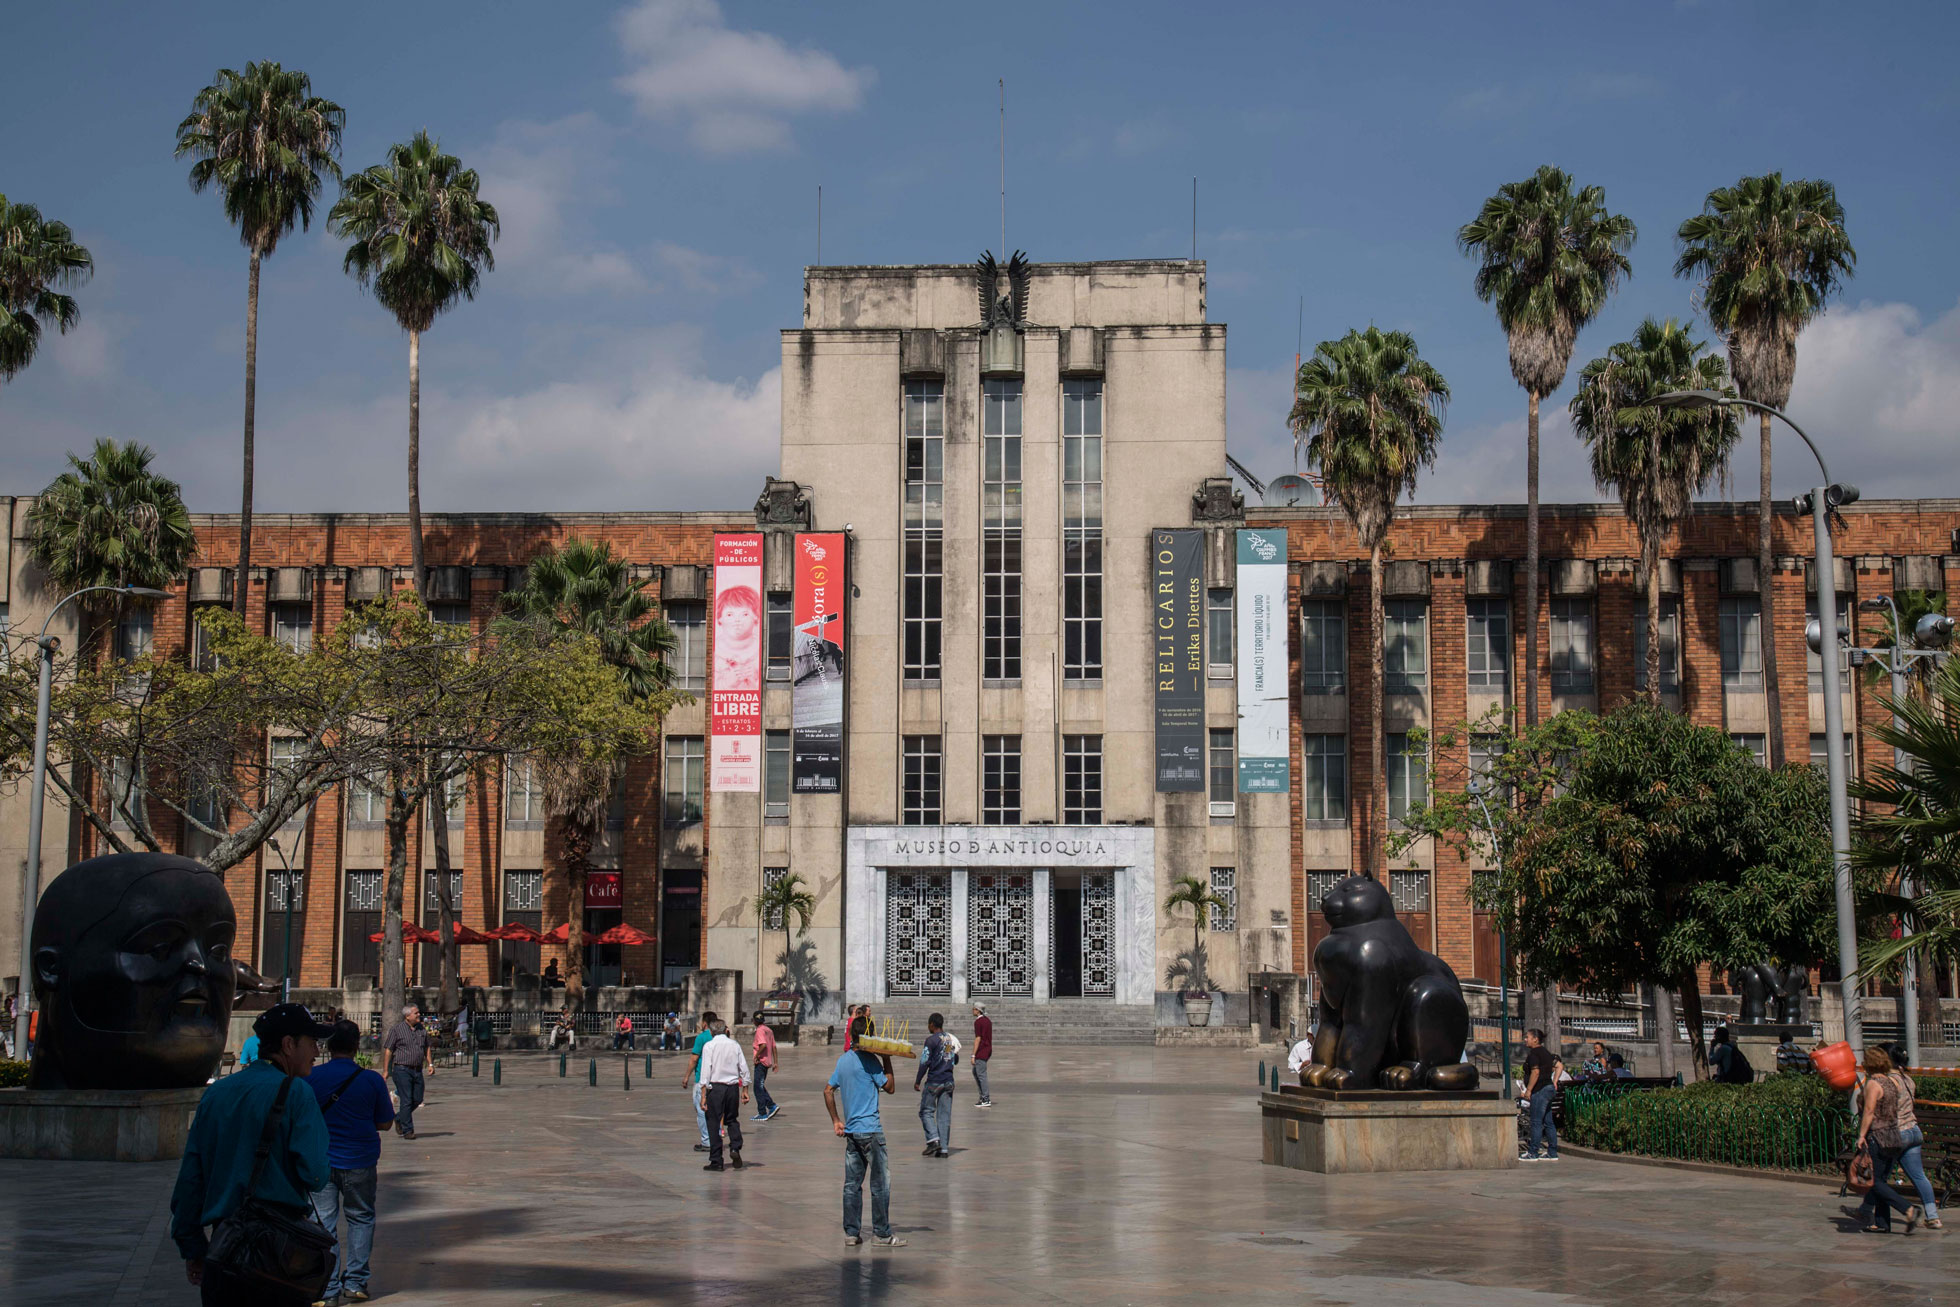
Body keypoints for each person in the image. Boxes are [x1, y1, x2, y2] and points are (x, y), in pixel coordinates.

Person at [171, 1003, 334, 1306]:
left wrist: (193, 1248)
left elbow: (191, 1178)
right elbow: (314, 1174)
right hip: (278, 1254)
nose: (316, 1050)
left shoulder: (217, 1093)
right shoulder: (298, 1093)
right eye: (311, 1041)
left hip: (225, 1249)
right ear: (288, 1045)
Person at [307, 1019, 395, 1306]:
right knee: (361, 1217)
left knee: (323, 1223)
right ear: (357, 1046)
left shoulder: (310, 1077)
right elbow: (384, 1123)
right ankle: (355, 1282)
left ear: (328, 1046)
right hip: (360, 1159)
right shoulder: (371, 1080)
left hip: (321, 1161)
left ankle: (328, 1289)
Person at [825, 1013, 906, 1248]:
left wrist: (836, 1121)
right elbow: (889, 1087)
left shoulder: (843, 1061)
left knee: (852, 1184)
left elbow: (828, 1090)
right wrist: (887, 1058)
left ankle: (852, 1233)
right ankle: (881, 1234)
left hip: (851, 1132)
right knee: (880, 1184)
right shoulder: (870, 1061)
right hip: (870, 1130)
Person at [1853, 1043, 1938, 1232]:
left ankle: (1907, 1209)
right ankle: (1883, 1222)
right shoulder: (1901, 1081)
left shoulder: (1878, 1083)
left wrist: (1861, 1135)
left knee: (1874, 1181)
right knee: (1900, 1177)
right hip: (1904, 1131)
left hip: (1884, 1135)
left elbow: (1869, 1110)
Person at [696, 1019, 752, 1171]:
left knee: (713, 1122)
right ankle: (735, 1147)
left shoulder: (709, 1046)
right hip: (732, 1088)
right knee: (732, 1119)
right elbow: (744, 1068)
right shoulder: (734, 1045)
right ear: (726, 1030)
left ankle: (716, 1160)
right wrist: (745, 1090)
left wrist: (703, 1094)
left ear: (712, 1032)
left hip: (716, 1088)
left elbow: (706, 1071)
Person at [379, 1004, 433, 1141]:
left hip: (417, 1069)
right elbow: (388, 1050)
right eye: (416, 1013)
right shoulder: (397, 1030)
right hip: (402, 1069)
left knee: (418, 1098)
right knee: (406, 1099)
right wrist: (386, 1070)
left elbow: (426, 1047)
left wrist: (430, 1063)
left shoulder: (421, 1029)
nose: (419, 1015)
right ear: (407, 1016)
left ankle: (399, 1118)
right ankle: (408, 1130)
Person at [914, 1012, 955, 1158]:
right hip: (948, 1080)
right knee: (944, 1116)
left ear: (932, 1024)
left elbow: (925, 1061)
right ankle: (943, 1149)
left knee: (926, 1111)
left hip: (934, 1081)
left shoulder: (930, 1040)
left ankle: (933, 1140)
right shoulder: (949, 1039)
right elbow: (951, 1057)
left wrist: (918, 1080)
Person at [1520, 1028, 1562, 1162]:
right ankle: (1552, 1152)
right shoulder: (1546, 1053)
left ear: (1535, 1039)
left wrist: (1529, 1090)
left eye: (1527, 1037)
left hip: (1540, 1090)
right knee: (1548, 1122)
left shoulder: (1534, 1054)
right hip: (1548, 1088)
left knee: (1536, 1122)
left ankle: (1533, 1152)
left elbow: (1535, 1072)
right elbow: (1559, 1065)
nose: (1525, 1039)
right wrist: (1554, 1081)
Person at [684, 1011, 719, 1152]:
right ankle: (715, 1138)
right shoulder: (721, 1038)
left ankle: (706, 1141)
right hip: (718, 1079)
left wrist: (686, 1076)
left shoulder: (701, 1038)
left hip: (702, 1080)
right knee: (716, 1112)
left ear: (704, 1023)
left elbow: (694, 1059)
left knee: (701, 1111)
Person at [751, 1019, 781, 1121]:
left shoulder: (760, 1030)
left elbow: (763, 1045)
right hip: (767, 1062)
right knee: (760, 1086)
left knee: (757, 1088)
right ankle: (771, 1106)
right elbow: (774, 1047)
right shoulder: (769, 1030)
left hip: (760, 1062)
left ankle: (762, 1112)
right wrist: (775, 1062)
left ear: (754, 1021)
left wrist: (756, 1056)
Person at [971, 1002, 993, 1108]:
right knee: (976, 1071)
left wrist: (973, 1055)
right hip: (988, 1049)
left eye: (974, 1009)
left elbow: (978, 1038)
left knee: (981, 1074)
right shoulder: (987, 1020)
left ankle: (985, 1098)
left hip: (982, 1050)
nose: (973, 1010)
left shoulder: (978, 1022)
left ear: (978, 1010)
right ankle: (983, 1096)